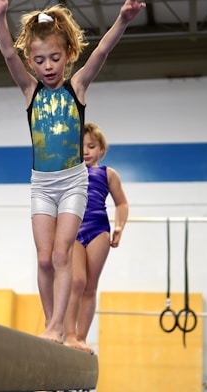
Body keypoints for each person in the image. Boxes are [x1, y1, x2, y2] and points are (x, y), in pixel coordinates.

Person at [0, 0, 144, 343]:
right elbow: (9, 54)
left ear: (69, 55)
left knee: (61, 257)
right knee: (43, 259)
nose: (48, 66)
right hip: (41, 184)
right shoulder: (29, 91)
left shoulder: (77, 89)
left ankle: (59, 326)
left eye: (55, 58)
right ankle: (50, 324)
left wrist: (121, 20)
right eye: (39, 60)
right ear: (32, 62)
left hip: (74, 182)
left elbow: (101, 52)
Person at [63, 122, 129, 353]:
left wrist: (119, 226)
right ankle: (69, 334)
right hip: (73, 228)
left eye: (91, 146)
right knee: (76, 281)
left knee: (90, 287)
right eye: (80, 147)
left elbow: (121, 202)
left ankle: (81, 337)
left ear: (101, 148)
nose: (86, 151)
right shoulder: (68, 172)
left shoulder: (108, 174)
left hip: (98, 228)